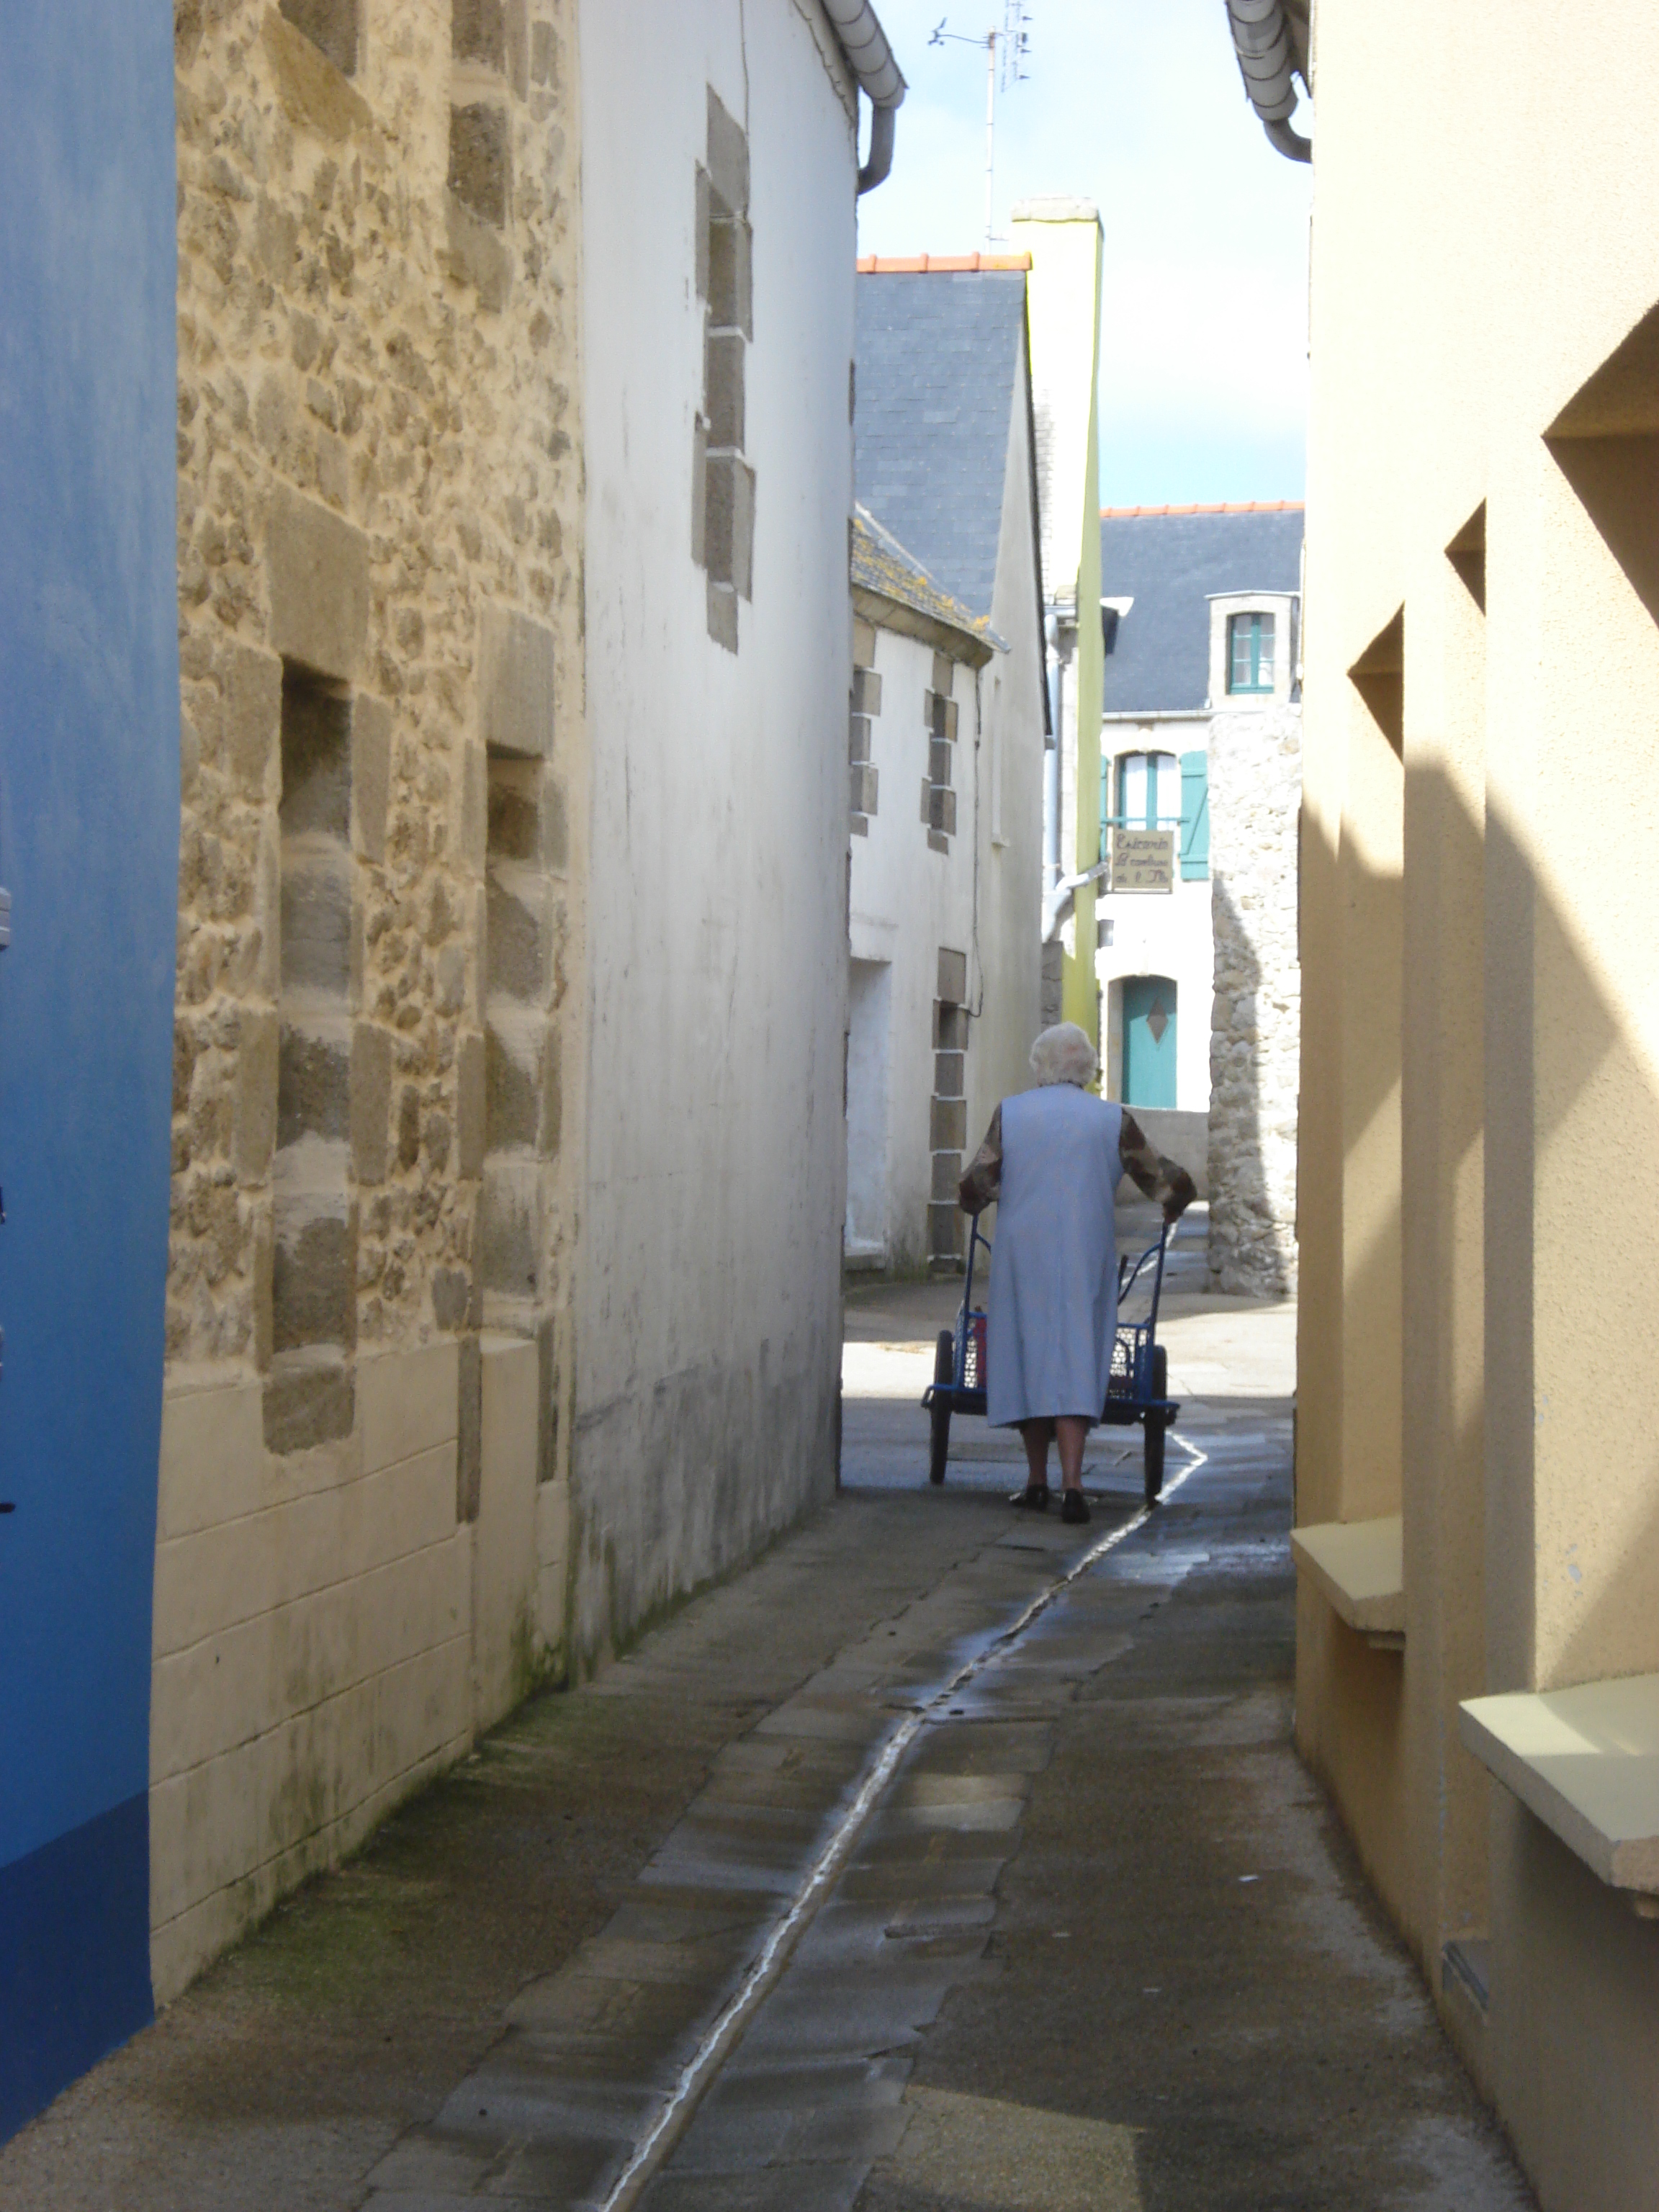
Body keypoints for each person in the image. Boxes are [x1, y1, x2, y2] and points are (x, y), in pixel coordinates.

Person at [958, 1021, 1197, 1525]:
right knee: (1075, 1352)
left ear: (1040, 1064)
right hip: (1084, 1252)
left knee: (1028, 1351)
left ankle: (1036, 1482)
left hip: (1024, 1253)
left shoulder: (1013, 1114)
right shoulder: (1112, 1120)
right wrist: (1176, 1203)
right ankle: (1074, 1484)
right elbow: (1166, 1180)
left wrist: (991, 1192)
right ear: (1088, 1068)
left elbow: (975, 1185)